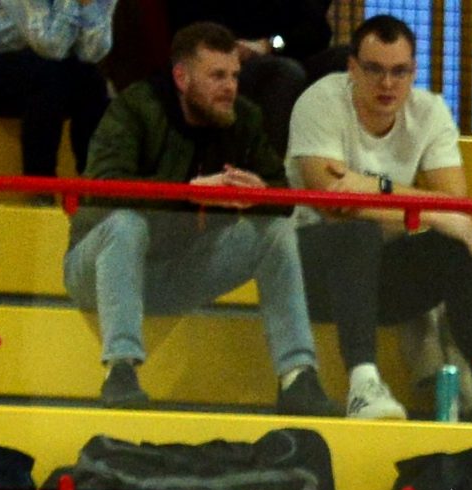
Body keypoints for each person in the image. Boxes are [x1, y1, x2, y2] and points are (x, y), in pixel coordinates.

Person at [64, 21, 336, 415]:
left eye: (234, 76)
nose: (230, 87)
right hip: (96, 268)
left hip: (179, 271)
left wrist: (260, 194)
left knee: (276, 231)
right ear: (181, 77)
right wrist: (188, 192)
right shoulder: (134, 108)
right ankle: (120, 370)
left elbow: (283, 198)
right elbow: (102, 190)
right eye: (217, 76)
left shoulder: (244, 118)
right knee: (126, 224)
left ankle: (298, 377)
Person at [287, 14, 472, 423]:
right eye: (374, 69)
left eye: (399, 72)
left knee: (462, 242)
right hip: (311, 271)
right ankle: (362, 385)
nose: (387, 84)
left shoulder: (429, 111)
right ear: (352, 68)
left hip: (384, 273)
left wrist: (370, 186)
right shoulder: (321, 101)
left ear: (413, 72)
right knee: (356, 232)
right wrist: (429, 211)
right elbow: (333, 205)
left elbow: (457, 206)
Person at [0, 0, 113, 179]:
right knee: (46, 75)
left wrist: (88, 5)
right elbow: (52, 46)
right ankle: (40, 186)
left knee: (92, 81)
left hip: (38, 70)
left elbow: (92, 53)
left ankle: (96, 184)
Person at [168, 1, 334, 142]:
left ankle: (327, 159)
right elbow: (192, 25)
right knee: (286, 72)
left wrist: (269, 44)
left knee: (340, 59)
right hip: (228, 56)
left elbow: (318, 31)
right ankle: (271, 162)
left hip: (286, 50)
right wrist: (230, 48)